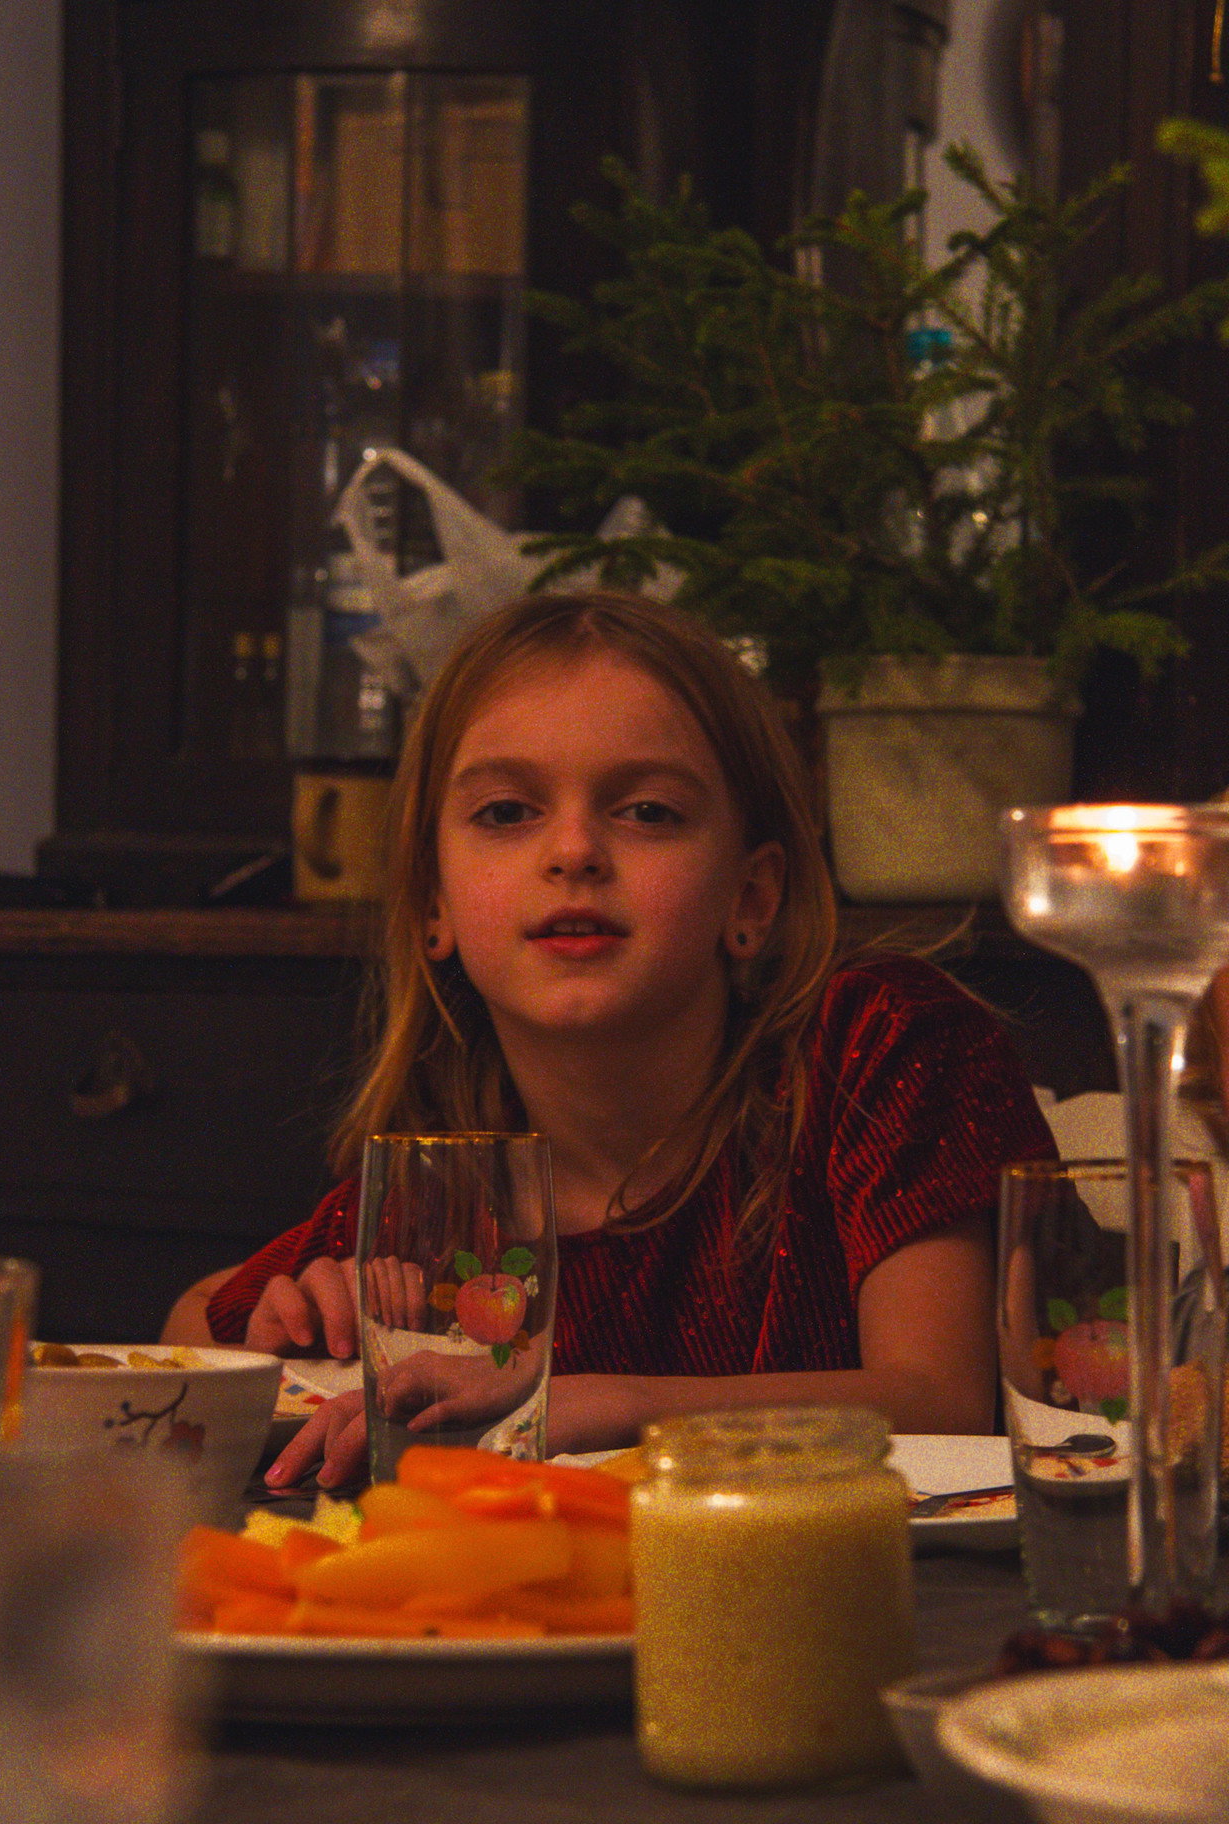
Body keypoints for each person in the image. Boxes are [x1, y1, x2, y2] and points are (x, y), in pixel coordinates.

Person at [162, 592, 1054, 1484]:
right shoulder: (438, 1196)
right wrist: (290, 1328)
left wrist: (598, 1405)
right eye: (507, 813)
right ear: (433, 900)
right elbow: (188, 1327)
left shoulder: (881, 1044)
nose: (575, 851)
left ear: (751, 895)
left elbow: (945, 1396)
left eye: (648, 812)